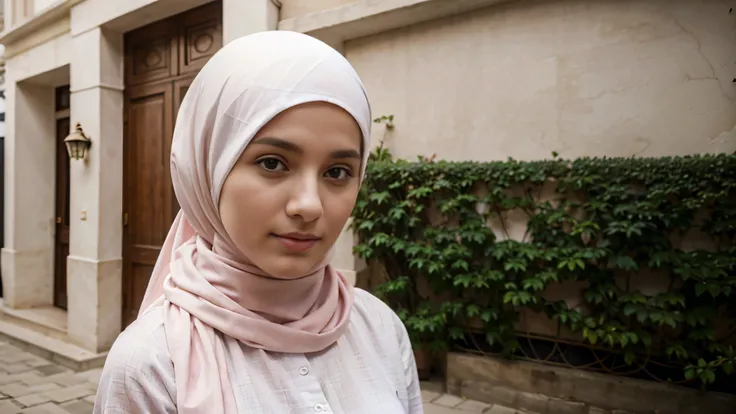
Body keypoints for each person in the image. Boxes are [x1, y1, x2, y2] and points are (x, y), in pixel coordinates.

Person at [93, 30, 423, 414]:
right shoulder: (151, 365)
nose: (308, 205)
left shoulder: (380, 327)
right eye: (272, 163)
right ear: (207, 169)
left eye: (337, 172)